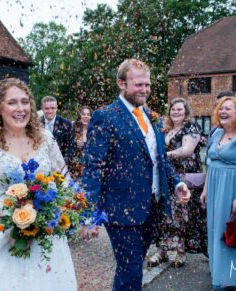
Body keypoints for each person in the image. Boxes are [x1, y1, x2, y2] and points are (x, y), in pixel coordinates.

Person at [0, 78, 77, 291]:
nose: (20, 108)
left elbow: (64, 179)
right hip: (3, 239)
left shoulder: (46, 139)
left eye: (24, 102)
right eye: (12, 102)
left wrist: (68, 211)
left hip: (44, 238)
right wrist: (9, 228)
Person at [81, 59, 191, 291]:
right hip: (120, 209)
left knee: (132, 267)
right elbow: (93, 166)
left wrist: (177, 182)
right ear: (121, 83)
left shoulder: (153, 117)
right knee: (130, 268)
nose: (144, 90)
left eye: (147, 85)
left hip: (150, 206)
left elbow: (159, 160)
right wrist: (89, 212)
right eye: (138, 85)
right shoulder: (105, 116)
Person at [147, 98, 207, 268]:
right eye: (173, 109)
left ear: (186, 112)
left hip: (184, 179)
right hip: (166, 178)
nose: (176, 112)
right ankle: (162, 251)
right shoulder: (165, 129)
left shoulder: (191, 127)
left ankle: (181, 253)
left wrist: (162, 155)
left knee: (180, 216)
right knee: (164, 215)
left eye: (180, 109)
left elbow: (187, 150)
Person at [200, 96, 236, 290]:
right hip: (214, 188)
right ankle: (219, 275)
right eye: (221, 109)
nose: (222, 112)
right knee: (215, 230)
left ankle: (231, 277)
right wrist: (205, 189)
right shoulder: (216, 134)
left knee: (229, 231)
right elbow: (210, 163)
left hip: (232, 188)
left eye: (228, 109)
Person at [40, 96, 75, 170]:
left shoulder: (66, 124)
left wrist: (62, 165)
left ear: (56, 107)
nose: (50, 111)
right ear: (42, 108)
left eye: (52, 108)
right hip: (41, 164)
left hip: (61, 165)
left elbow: (71, 146)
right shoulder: (36, 124)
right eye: (47, 108)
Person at [72, 106, 93, 180]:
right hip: (74, 165)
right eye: (83, 114)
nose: (86, 116)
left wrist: (85, 146)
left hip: (89, 165)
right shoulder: (73, 128)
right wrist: (74, 143)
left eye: (88, 114)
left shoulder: (95, 130)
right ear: (80, 115)